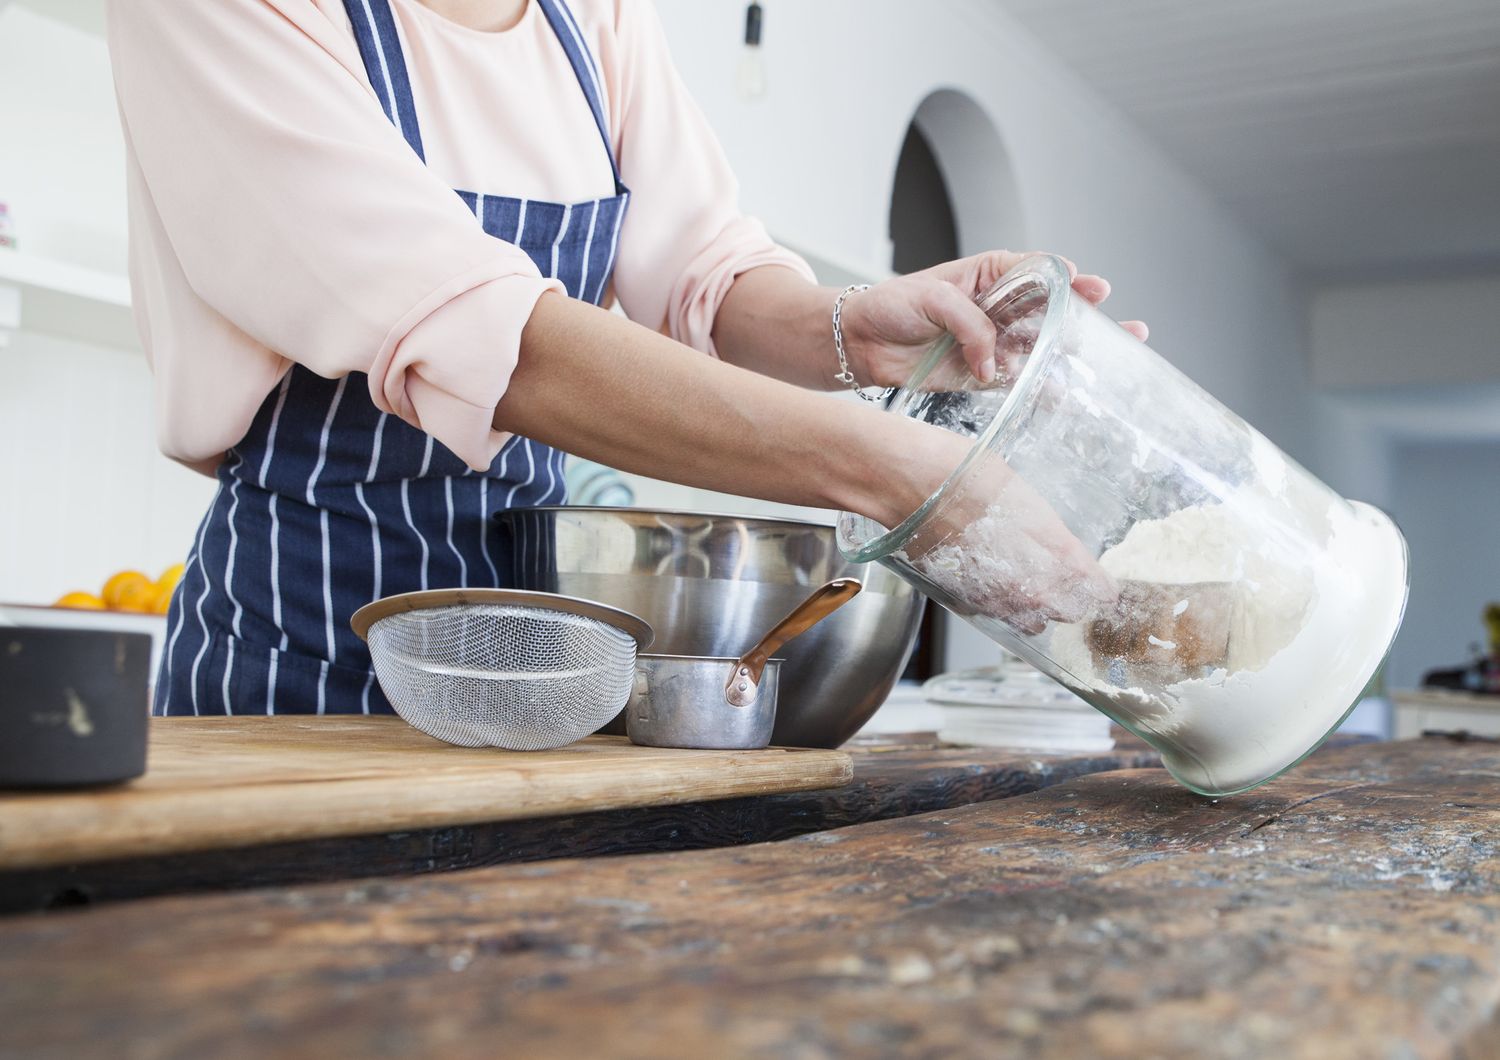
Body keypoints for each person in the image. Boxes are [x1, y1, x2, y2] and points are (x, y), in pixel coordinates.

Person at [107, 0, 1145, 716]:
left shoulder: (587, 17)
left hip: (536, 644)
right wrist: (888, 467)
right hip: (294, 644)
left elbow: (704, 267)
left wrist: (861, 328)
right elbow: (480, 335)